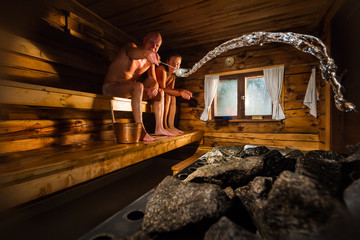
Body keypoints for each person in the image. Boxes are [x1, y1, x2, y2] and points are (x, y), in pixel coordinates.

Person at [102, 32, 173, 141]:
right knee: (138, 86)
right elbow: (132, 53)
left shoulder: (150, 61)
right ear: (144, 40)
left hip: (129, 91)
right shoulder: (131, 47)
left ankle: (159, 128)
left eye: (157, 45)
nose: (154, 47)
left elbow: (152, 79)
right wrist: (146, 53)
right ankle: (140, 130)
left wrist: (153, 87)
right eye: (151, 43)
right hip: (111, 88)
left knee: (160, 92)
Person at [156, 53, 192, 135]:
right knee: (168, 96)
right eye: (173, 63)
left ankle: (171, 126)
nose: (175, 66)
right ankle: (164, 126)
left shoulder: (172, 75)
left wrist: (183, 90)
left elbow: (171, 90)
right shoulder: (161, 69)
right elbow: (164, 89)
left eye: (178, 64)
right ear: (167, 62)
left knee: (172, 97)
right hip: (153, 93)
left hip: (161, 93)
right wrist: (180, 92)